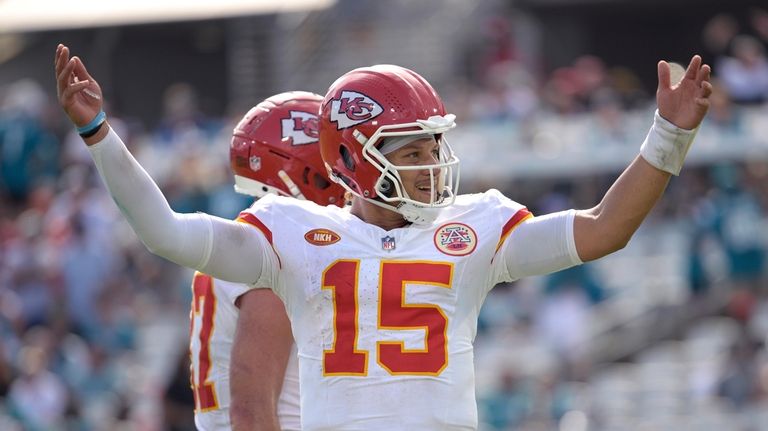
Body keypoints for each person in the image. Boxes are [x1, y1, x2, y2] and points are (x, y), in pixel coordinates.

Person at [55, 43, 712, 430]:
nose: (433, 164)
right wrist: (101, 136)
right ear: (353, 156)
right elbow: (165, 231)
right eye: (413, 149)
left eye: (434, 146)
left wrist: (669, 136)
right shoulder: (296, 236)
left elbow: (605, 229)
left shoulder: (472, 227)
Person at [189, 91, 346, 431]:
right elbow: (251, 411)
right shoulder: (277, 246)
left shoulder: (248, 240)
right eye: (340, 161)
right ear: (311, 172)